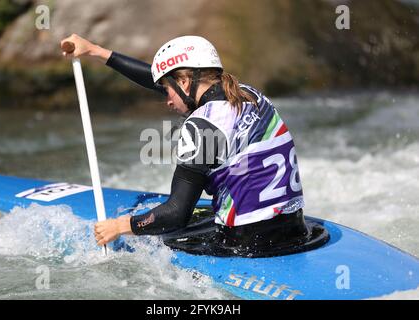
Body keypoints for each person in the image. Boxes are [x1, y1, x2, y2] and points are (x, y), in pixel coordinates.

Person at [61, 34, 327, 257]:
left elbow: (176, 213)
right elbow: (164, 81)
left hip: (247, 243)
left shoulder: (201, 128)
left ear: (185, 82)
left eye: (167, 89)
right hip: (294, 228)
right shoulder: (249, 95)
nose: (166, 100)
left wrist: (121, 225)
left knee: (155, 232)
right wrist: (96, 51)